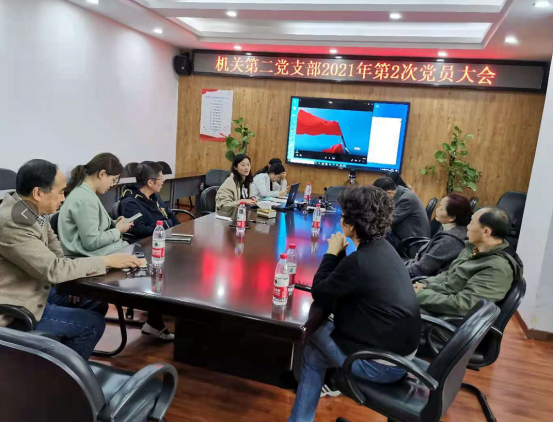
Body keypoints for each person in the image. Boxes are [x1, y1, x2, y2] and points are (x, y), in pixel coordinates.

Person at [289, 186, 421, 423]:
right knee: (315, 354)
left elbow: (320, 292)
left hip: (381, 364)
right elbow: (347, 279)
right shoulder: (383, 248)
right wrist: (340, 256)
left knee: (306, 332)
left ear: (350, 225)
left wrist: (331, 253)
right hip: (401, 356)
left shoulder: (360, 261)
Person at [0, 159, 142, 360]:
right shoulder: (15, 222)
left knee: (95, 302)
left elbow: (55, 250)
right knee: (92, 325)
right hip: (18, 308)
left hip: (38, 290)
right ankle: (63, 375)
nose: (63, 198)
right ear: (38, 193)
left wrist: (69, 281)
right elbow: (53, 269)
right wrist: (107, 261)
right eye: (60, 192)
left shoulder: (31, 208)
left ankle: (54, 359)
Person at [58, 153, 174, 340]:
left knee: (156, 262)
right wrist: (117, 230)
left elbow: (93, 228)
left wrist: (113, 224)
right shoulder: (84, 198)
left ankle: (155, 320)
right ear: (102, 174)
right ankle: (155, 320)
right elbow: (91, 242)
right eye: (113, 180)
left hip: (106, 250)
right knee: (155, 268)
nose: (112, 185)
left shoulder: (87, 194)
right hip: (94, 256)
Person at [414, 208, 524, 317]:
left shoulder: (497, 269)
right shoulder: (473, 249)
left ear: (486, 231)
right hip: (436, 301)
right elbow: (449, 274)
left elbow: (465, 305)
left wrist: (420, 295)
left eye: (471, 223)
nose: (468, 227)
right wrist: (425, 284)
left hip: (443, 316)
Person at [405, 193, 473, 278]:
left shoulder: (450, 241)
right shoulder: (455, 230)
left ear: (452, 217)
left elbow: (422, 268)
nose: (436, 210)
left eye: (441, 208)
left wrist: (396, 269)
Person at [120, 161, 180, 239]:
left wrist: (178, 228)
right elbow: (141, 230)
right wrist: (166, 224)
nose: (163, 182)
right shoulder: (130, 203)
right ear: (150, 182)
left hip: (165, 236)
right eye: (161, 178)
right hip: (149, 242)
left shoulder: (154, 195)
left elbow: (169, 213)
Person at [373, 176, 430, 251]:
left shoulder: (406, 199)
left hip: (413, 243)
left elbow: (389, 220)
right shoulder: (402, 193)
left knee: (375, 232)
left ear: (388, 193)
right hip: (405, 236)